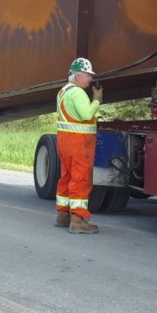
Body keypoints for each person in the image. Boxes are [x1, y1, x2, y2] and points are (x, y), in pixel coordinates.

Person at [55, 58, 103, 234]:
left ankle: (62, 215)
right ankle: (78, 220)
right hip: (79, 143)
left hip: (65, 141)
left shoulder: (63, 91)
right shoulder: (77, 93)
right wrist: (97, 100)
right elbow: (86, 114)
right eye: (88, 75)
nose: (90, 79)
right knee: (81, 179)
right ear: (79, 75)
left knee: (66, 177)